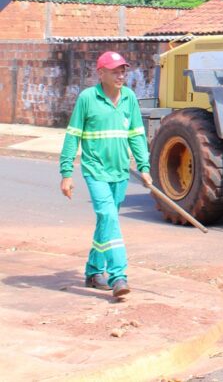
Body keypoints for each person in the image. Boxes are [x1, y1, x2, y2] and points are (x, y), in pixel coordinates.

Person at [59, 50, 153, 300]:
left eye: (123, 70)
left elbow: (137, 135)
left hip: (120, 172)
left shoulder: (129, 98)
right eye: (115, 70)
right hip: (95, 171)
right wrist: (66, 172)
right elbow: (72, 136)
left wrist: (144, 167)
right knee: (109, 216)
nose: (121, 74)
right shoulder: (87, 98)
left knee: (106, 222)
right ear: (100, 73)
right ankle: (118, 275)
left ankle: (92, 272)